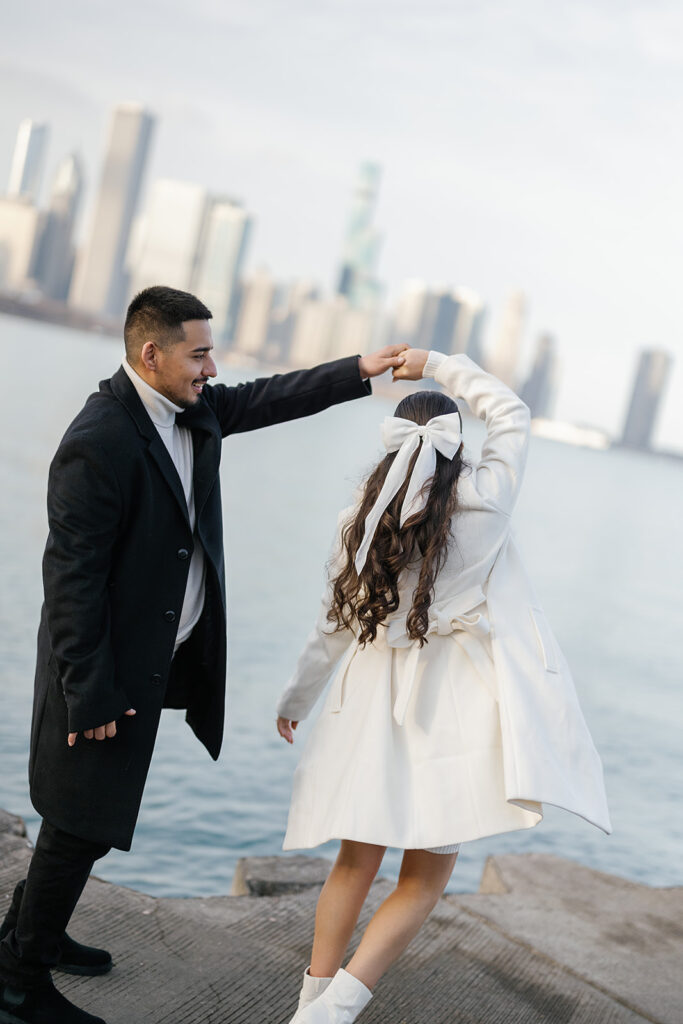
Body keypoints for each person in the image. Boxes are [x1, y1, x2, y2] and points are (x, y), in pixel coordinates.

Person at [0, 285, 408, 1024]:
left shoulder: (190, 411)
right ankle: (20, 984)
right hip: (96, 670)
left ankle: (34, 937)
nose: (212, 368)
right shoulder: (100, 439)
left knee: (90, 817)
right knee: (76, 824)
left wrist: (359, 369)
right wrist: (89, 693)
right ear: (150, 355)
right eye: (199, 353)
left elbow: (269, 397)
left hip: (146, 664)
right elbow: (69, 580)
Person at [276, 347, 611, 1023]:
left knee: (352, 863)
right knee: (424, 878)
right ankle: (333, 1011)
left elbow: (330, 626)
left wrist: (295, 700)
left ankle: (312, 1001)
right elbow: (511, 412)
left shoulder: (357, 523)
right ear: (457, 450)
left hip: (371, 699)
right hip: (452, 706)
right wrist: (437, 362)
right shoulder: (485, 502)